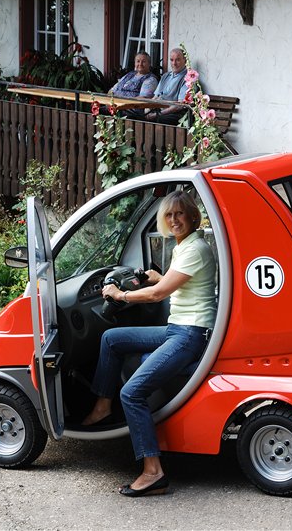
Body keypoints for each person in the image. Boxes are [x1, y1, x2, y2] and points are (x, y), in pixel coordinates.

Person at [82, 190, 217, 497]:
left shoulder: (193, 249)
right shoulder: (186, 247)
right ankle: (102, 407)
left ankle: (152, 472)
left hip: (189, 335)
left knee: (131, 393)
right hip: (177, 329)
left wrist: (121, 295)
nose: (174, 220)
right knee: (111, 339)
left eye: (180, 213)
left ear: (192, 216)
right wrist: (158, 277)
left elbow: (158, 296)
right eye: (169, 215)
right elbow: (174, 284)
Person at [145, 48, 189, 125]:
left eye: (177, 60)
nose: (174, 63)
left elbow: (179, 105)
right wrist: (147, 109)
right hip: (159, 110)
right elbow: (155, 97)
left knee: (157, 119)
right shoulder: (165, 76)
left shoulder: (188, 79)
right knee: (135, 114)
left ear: (185, 60)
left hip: (173, 113)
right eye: (171, 60)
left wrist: (158, 114)